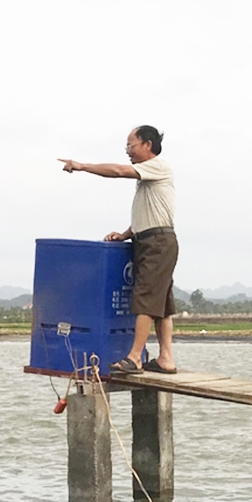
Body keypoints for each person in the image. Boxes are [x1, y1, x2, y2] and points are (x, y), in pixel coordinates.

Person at [59, 125, 179, 374]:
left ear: (147, 144)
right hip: (151, 240)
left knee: (146, 301)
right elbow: (150, 213)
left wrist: (82, 166)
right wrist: (125, 234)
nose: (127, 152)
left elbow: (117, 171)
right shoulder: (148, 176)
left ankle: (134, 357)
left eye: (130, 146)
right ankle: (166, 358)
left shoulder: (158, 166)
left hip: (157, 243)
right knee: (162, 304)